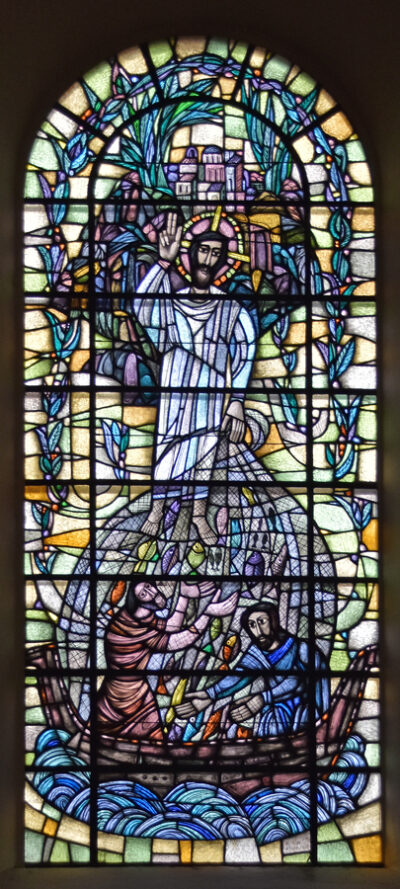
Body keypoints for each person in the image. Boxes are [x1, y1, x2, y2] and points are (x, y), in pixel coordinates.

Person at [131, 212, 256, 545]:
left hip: (210, 395)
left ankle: (199, 514)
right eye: (204, 250)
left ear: (224, 261)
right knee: (168, 447)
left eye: (216, 254)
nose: (208, 260)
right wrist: (163, 263)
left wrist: (237, 402)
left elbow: (246, 351)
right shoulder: (170, 303)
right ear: (191, 253)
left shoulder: (231, 309)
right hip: (175, 388)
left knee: (204, 449)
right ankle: (156, 511)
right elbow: (142, 308)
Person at [97, 578, 238, 740]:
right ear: (137, 601)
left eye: (148, 586)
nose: (152, 592)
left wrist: (184, 596)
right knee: (145, 737)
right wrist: (208, 613)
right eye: (144, 594)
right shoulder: (133, 628)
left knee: (149, 738)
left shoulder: (137, 615)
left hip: (134, 689)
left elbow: (171, 626)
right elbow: (180, 640)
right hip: (124, 696)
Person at [175, 602, 329, 738]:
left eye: (262, 622)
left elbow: (296, 681)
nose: (258, 630)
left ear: (274, 621)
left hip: (307, 710)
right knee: (269, 728)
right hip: (276, 709)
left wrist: (262, 699)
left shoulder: (300, 649)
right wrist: (210, 694)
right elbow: (238, 677)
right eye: (252, 625)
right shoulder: (257, 653)